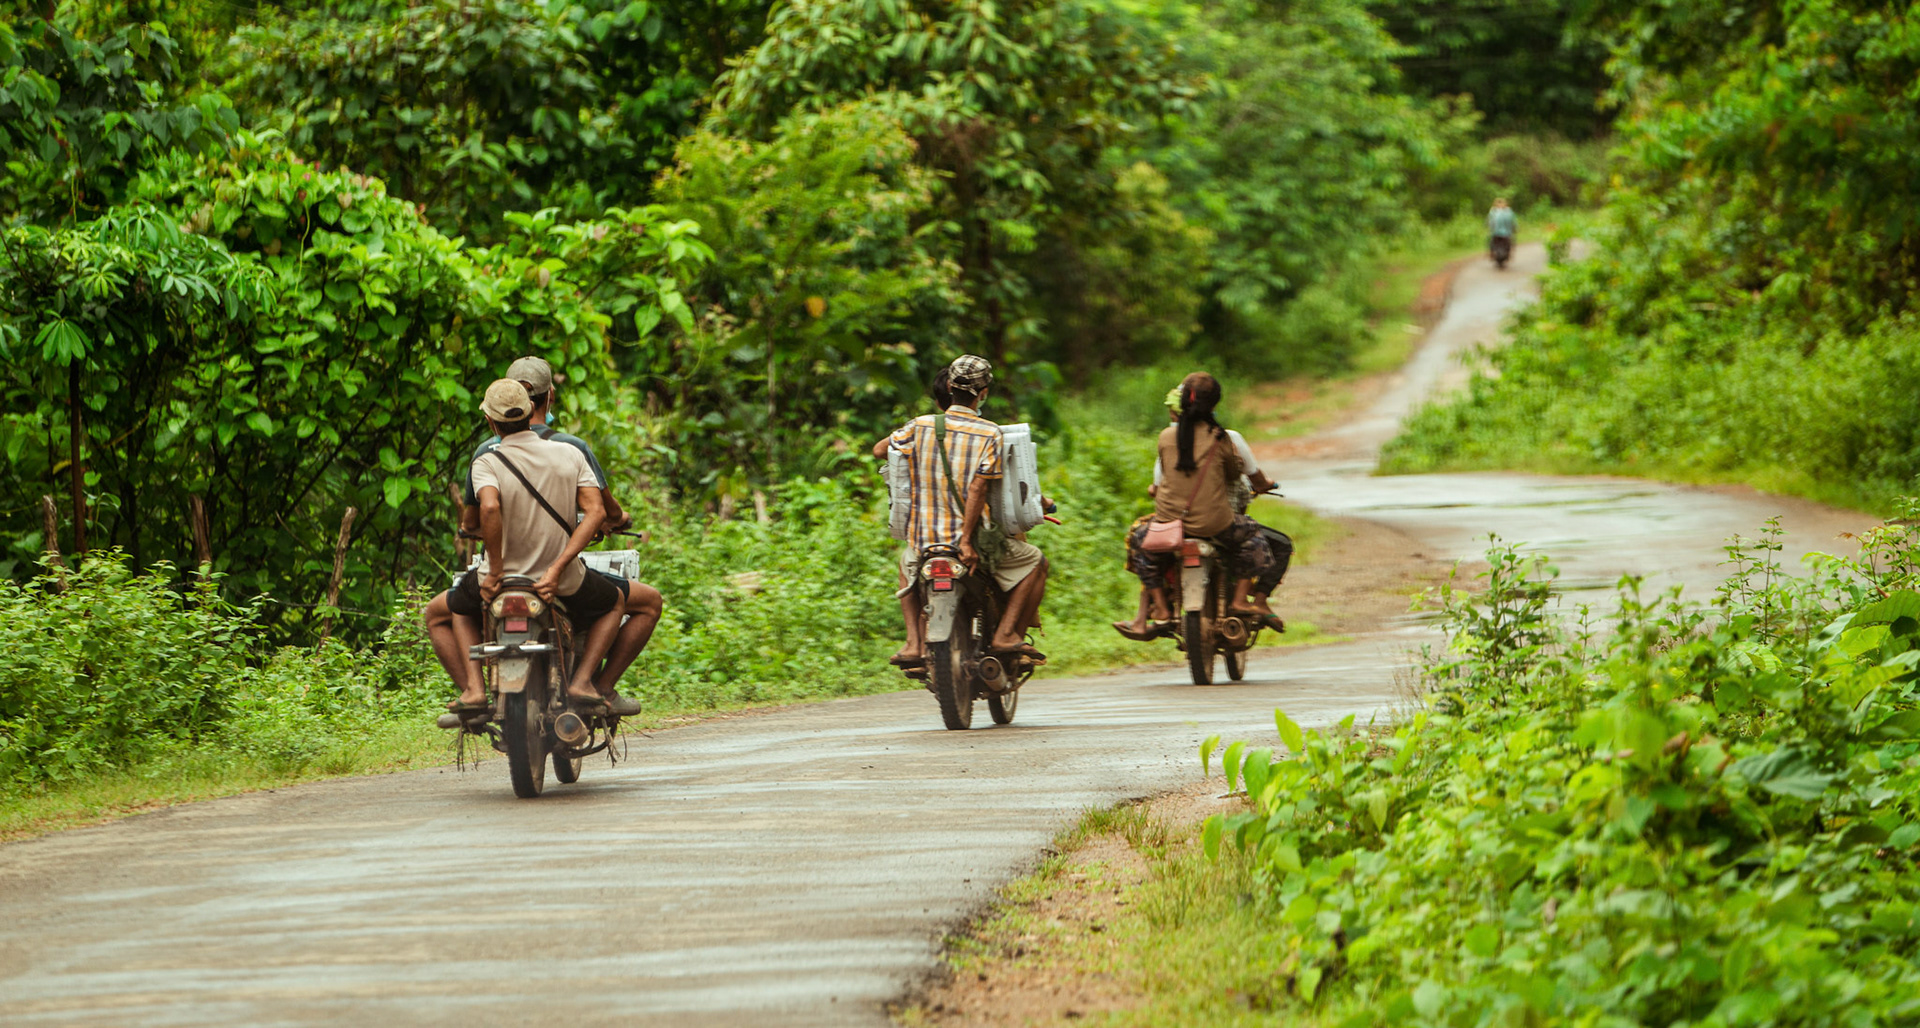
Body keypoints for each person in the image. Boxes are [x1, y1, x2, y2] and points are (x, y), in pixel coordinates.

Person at [435, 357, 663, 714]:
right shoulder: (570, 452)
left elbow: (482, 514)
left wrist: (494, 568)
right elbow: (601, 512)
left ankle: (474, 690)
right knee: (620, 601)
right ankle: (592, 684)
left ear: (490, 420)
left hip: (500, 578)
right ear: (545, 400)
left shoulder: (485, 458)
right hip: (559, 579)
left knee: (442, 611)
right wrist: (556, 568)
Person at [872, 355, 1049, 668]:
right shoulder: (990, 433)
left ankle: (914, 643)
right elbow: (979, 489)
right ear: (983, 393)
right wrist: (966, 541)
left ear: (950, 387)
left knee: (907, 564)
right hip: (969, 542)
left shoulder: (921, 426)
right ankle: (1007, 634)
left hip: (926, 541)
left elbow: (878, 451)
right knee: (1035, 560)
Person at [1115, 386, 1291, 638]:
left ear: (1178, 411)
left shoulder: (1165, 438)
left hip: (1171, 524)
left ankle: (1159, 606)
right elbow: (1237, 473)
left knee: (1140, 540)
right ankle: (1246, 599)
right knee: (1256, 536)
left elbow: (1156, 485)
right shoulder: (1224, 437)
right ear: (1213, 406)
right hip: (1217, 523)